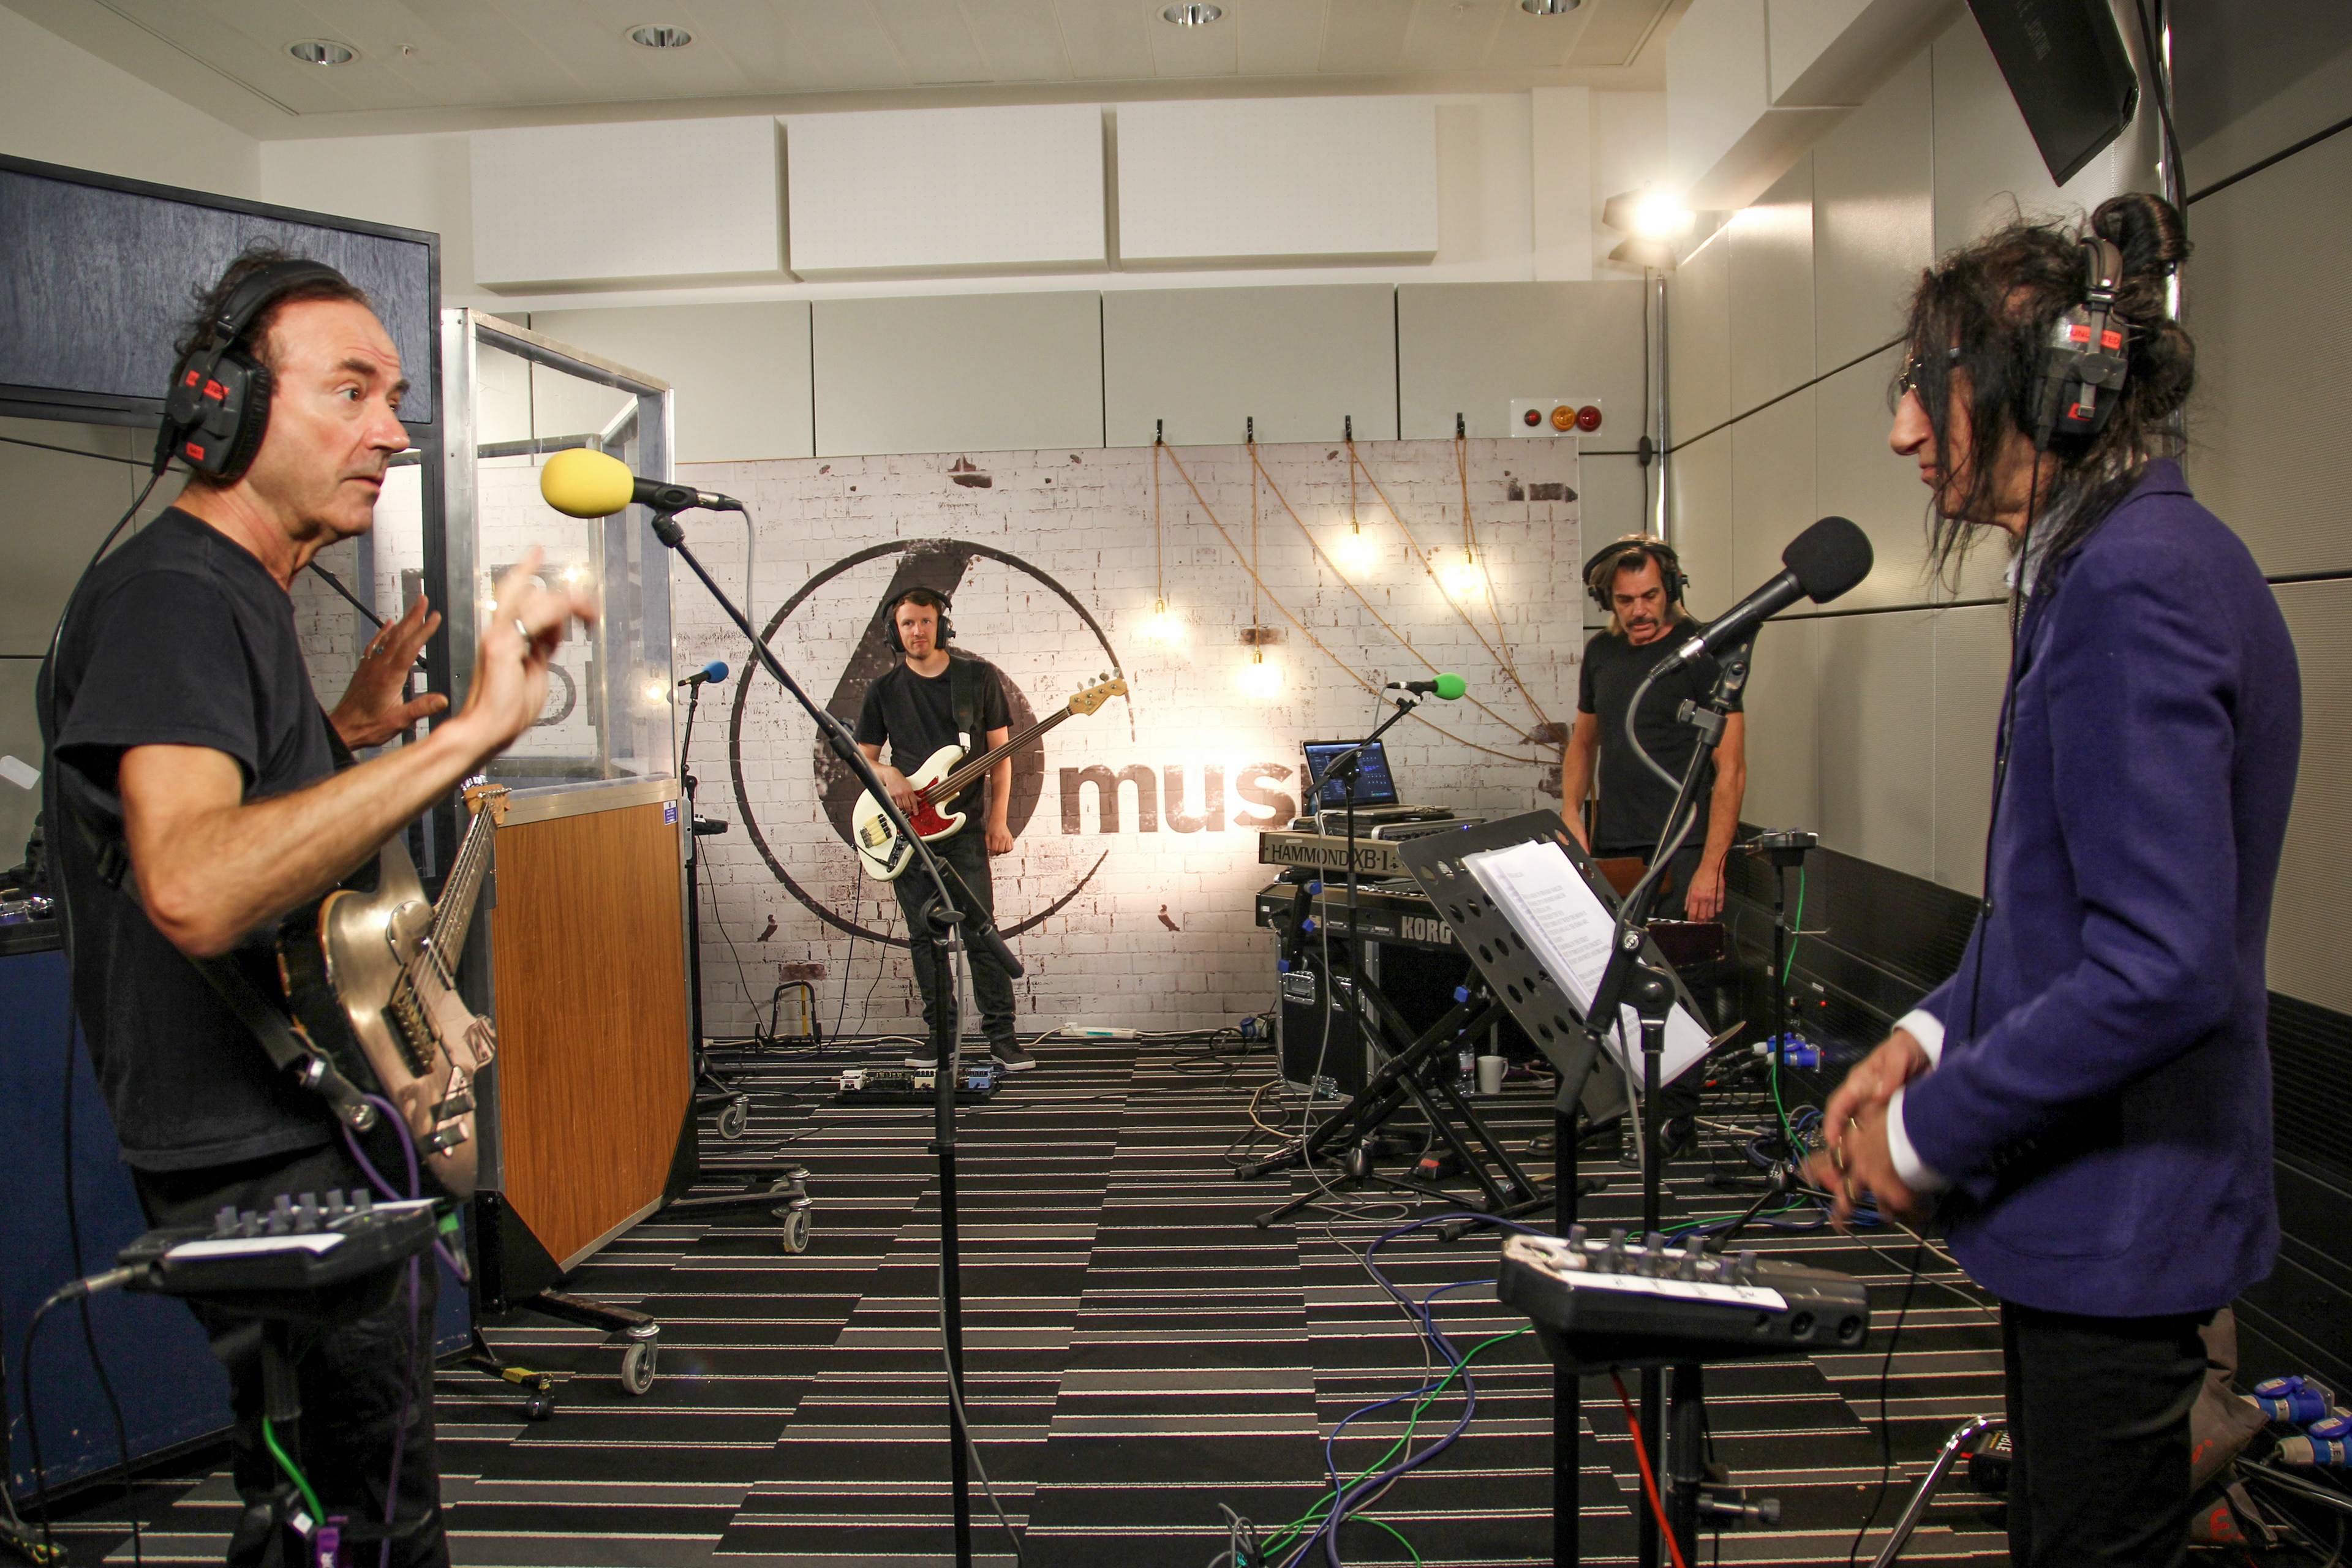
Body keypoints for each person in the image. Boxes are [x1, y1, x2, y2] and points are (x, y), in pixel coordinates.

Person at [40, 246, 595, 1568]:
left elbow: (221, 824)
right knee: (359, 1515)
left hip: (289, 1132)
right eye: (350, 391)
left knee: (328, 1507)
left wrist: (334, 741)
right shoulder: (179, 591)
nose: (391, 433)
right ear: (221, 405)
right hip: (258, 1148)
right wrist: (459, 742)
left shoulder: (233, 595)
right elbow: (191, 882)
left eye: (395, 397)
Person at [1810, 194, 2298, 1568]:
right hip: (2100, 1208)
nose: (1905, 431)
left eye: (1928, 388)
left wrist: (1922, 1137)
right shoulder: (2113, 561)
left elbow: (2160, 963)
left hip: (2125, 1212)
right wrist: (1923, 1036)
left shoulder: (2138, 579)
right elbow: (2069, 908)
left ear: (2053, 389)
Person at [855, 587, 1033, 1072]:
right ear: (896, 631)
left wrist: (997, 821)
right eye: (908, 623)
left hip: (964, 829)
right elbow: (865, 760)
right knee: (924, 935)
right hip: (908, 832)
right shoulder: (884, 691)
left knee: (981, 931)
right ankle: (940, 1037)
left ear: (942, 626)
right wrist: (891, 776)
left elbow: (1001, 757)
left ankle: (1002, 1037)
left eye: (926, 622)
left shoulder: (977, 680)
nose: (917, 631)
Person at [1560, 537, 1747, 924]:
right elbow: (1582, 743)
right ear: (1607, 599)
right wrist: (1570, 813)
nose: (1639, 611)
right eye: (1626, 601)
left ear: (1672, 591)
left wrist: (1712, 867)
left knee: (1682, 972)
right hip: (1616, 845)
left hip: (1686, 845)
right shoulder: (1601, 651)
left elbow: (1732, 768)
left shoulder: (1703, 651)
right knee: (1619, 965)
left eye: (1650, 596)